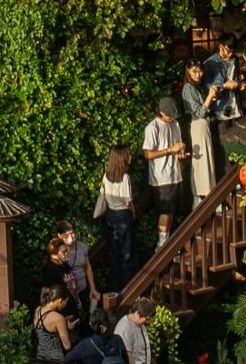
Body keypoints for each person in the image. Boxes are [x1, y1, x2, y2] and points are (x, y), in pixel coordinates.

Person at [142, 97, 187, 244]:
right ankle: (161, 243)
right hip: (161, 177)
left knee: (173, 209)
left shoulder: (175, 124)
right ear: (161, 112)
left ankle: (168, 240)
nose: (172, 117)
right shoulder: (152, 127)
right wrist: (169, 150)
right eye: (169, 115)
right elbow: (147, 154)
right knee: (165, 210)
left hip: (175, 173)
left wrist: (181, 154)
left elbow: (177, 146)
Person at [94, 147, 138, 289]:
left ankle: (115, 285)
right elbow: (128, 201)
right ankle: (127, 286)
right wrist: (134, 213)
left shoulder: (106, 176)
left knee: (114, 252)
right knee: (127, 253)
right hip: (123, 216)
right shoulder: (125, 177)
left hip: (110, 215)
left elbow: (103, 196)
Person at [179, 61, 219, 201]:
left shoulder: (196, 86)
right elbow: (199, 112)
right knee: (202, 161)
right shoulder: (188, 88)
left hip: (203, 124)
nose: (198, 74)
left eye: (200, 71)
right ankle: (204, 196)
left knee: (207, 160)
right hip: (198, 124)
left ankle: (209, 195)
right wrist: (209, 97)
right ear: (188, 71)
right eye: (194, 71)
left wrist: (211, 98)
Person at [64, 299, 128, 364]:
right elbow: (125, 360)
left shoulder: (85, 345)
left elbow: (66, 359)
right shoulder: (117, 339)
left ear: (91, 325)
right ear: (108, 322)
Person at [56, 219, 97, 319]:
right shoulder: (58, 250)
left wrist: (93, 288)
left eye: (72, 233)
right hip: (68, 294)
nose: (71, 237)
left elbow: (88, 267)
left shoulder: (82, 247)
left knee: (85, 317)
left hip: (83, 289)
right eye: (66, 235)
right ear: (59, 236)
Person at [202, 39, 246, 123]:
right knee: (224, 134)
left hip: (236, 105)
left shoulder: (234, 59)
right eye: (228, 50)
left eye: (233, 51)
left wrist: (241, 84)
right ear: (220, 47)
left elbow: (236, 77)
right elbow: (205, 87)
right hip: (220, 110)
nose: (231, 53)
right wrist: (224, 85)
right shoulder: (209, 63)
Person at [34, 285, 73, 363]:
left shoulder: (38, 310)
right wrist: (68, 328)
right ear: (60, 300)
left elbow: (46, 329)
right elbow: (67, 346)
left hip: (41, 358)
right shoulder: (58, 318)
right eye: (65, 302)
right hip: (55, 360)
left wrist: (64, 321)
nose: (65, 305)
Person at [114, 298, 154, 364]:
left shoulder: (139, 323)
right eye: (146, 318)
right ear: (138, 313)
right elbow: (128, 356)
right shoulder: (125, 328)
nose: (148, 321)